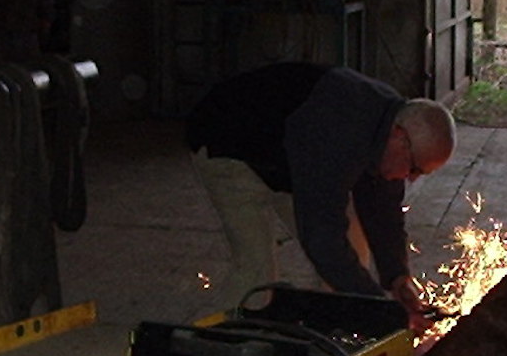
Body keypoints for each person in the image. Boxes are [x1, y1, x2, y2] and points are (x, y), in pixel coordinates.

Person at [185, 62, 456, 330]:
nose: (412, 178)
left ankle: (333, 332)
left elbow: (383, 212)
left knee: (352, 245)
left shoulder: (389, 123)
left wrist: (398, 277)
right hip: (228, 145)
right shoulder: (336, 132)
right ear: (399, 138)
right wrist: (379, 309)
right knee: (257, 273)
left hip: (287, 156)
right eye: (415, 168)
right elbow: (322, 238)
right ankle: (211, 348)